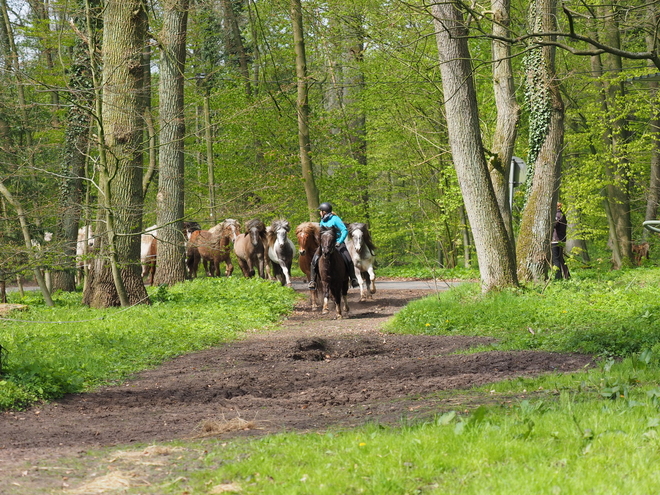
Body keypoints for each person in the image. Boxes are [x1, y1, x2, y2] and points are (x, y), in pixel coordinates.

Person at [308, 202, 360, 290]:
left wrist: (339, 241)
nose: (320, 212)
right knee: (314, 259)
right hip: (325, 245)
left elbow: (344, 230)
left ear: (324, 211)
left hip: (337, 243)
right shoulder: (322, 220)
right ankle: (312, 281)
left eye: (321, 211)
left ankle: (353, 278)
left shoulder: (335, 219)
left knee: (348, 259)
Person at [551, 202, 570, 280]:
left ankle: (558, 277)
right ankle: (567, 275)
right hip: (562, 240)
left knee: (556, 259)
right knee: (561, 258)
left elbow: (555, 225)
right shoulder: (562, 214)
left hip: (555, 240)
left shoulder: (557, 215)